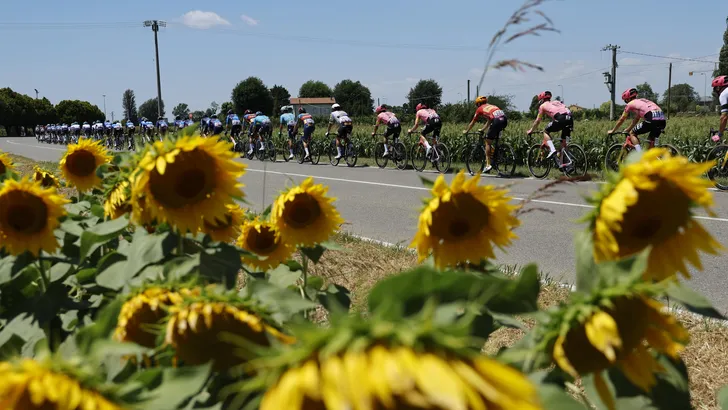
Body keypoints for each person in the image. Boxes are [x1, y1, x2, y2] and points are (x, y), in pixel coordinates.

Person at [607, 88, 665, 152]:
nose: (626, 102)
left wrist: (613, 130)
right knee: (650, 142)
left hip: (651, 117)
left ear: (628, 99)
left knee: (632, 134)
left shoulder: (629, 104)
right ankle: (654, 158)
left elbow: (622, 119)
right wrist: (628, 129)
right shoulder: (642, 101)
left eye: (625, 100)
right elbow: (636, 120)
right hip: (662, 119)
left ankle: (639, 155)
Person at [463, 96, 508, 172]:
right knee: (494, 140)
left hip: (496, 121)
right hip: (504, 120)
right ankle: (496, 156)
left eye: (476, 104)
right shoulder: (492, 106)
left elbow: (473, 122)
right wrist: (482, 129)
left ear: (478, 104)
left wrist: (467, 130)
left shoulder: (479, 109)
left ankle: (488, 165)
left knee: (487, 142)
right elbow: (489, 121)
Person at [526, 91, 573, 161]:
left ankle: (552, 150)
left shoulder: (542, 106)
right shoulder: (556, 102)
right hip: (570, 119)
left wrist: (531, 130)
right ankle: (566, 165)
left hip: (561, 119)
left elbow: (538, 121)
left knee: (546, 131)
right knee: (563, 145)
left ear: (541, 100)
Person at [713, 75, 728, 140]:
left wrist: (719, 134)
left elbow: (724, 117)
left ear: (718, 87)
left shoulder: (724, 94)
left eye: (715, 88)